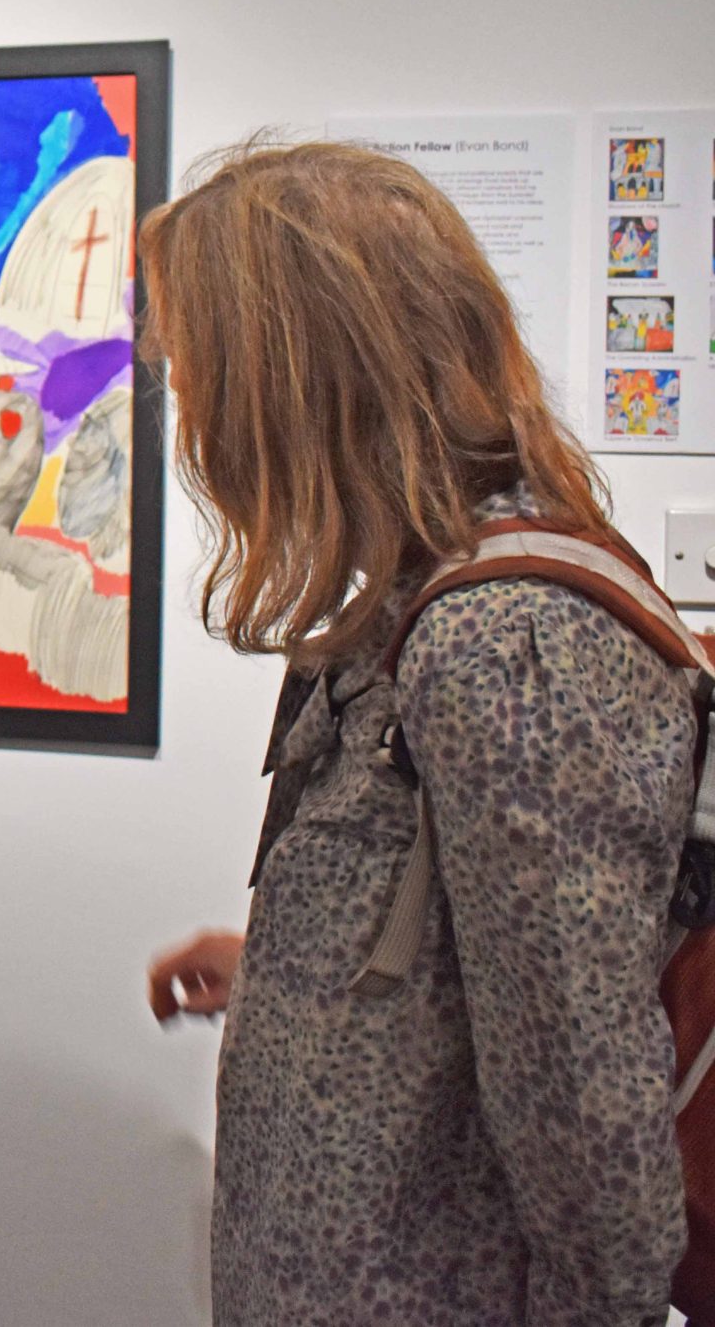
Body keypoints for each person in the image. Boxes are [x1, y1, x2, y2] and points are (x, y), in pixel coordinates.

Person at [138, 141, 695, 1326]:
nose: (179, 405)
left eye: (195, 368)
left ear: (291, 380)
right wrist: (293, 972)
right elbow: (491, 958)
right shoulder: (416, 600)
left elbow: (586, 1104)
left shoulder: (502, 641)